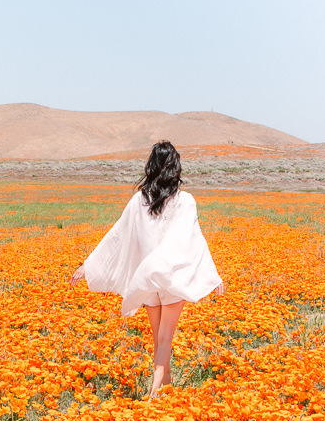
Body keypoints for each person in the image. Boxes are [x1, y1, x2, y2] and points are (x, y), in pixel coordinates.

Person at [70, 141, 223, 400]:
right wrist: (212, 274)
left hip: (147, 279)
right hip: (171, 277)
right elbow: (195, 238)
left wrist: (89, 264)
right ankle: (154, 396)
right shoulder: (185, 201)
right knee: (165, 340)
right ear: (175, 167)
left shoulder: (139, 200)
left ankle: (166, 390)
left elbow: (117, 235)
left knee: (159, 341)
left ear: (151, 166)